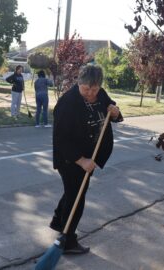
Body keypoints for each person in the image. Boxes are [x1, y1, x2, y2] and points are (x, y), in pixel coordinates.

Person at [50, 65, 123, 254]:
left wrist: (115, 112)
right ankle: (68, 241)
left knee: (72, 191)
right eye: (86, 89)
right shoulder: (68, 103)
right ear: (78, 83)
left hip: (90, 155)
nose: (90, 93)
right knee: (76, 197)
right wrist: (81, 160)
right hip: (71, 158)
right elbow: (61, 139)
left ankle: (59, 221)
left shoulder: (101, 94)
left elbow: (112, 112)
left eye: (94, 89)